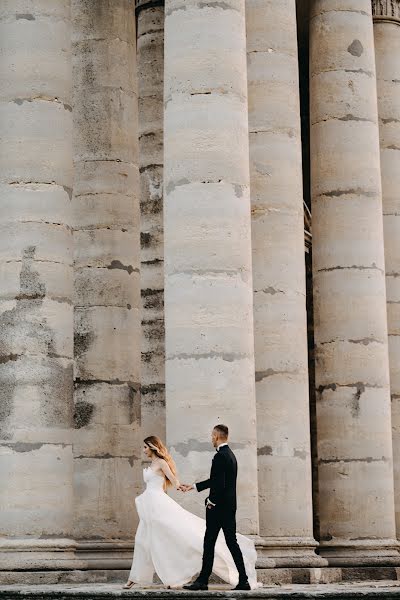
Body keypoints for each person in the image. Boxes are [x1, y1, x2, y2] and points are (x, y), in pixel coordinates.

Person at [123, 430, 259, 590]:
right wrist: (194, 487)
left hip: (218, 508)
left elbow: (219, 483)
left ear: (216, 436)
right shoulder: (230, 455)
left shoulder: (221, 456)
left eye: (145, 447)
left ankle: (231, 580)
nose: (211, 438)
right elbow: (217, 481)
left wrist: (211, 501)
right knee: (213, 543)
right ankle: (210, 581)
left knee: (215, 543)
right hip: (226, 508)